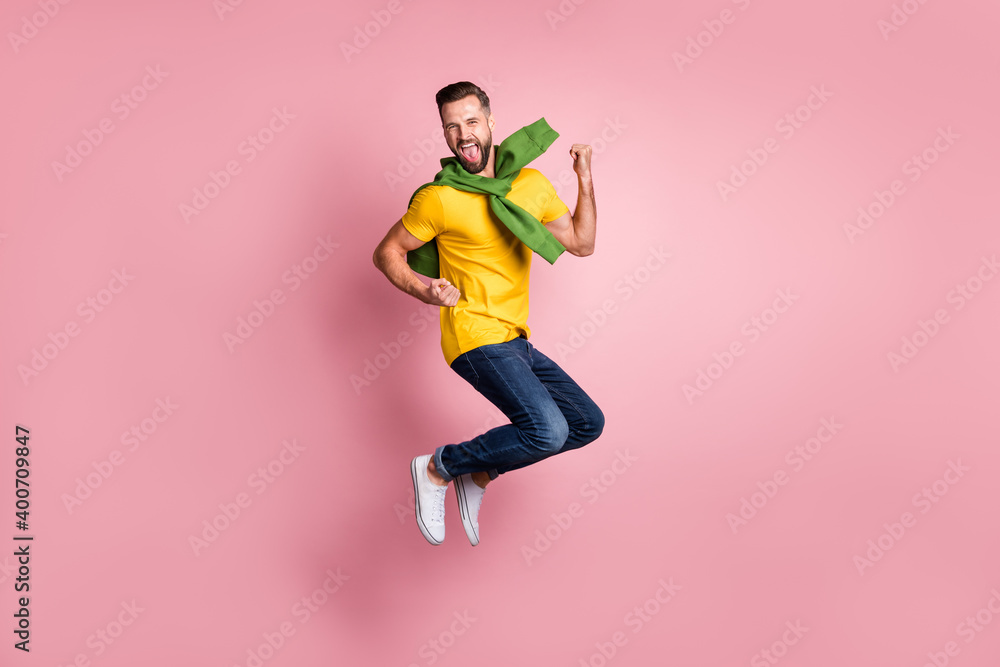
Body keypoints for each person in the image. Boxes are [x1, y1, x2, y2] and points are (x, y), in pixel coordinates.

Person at [372, 81, 605, 546]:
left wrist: (583, 176)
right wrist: (424, 291)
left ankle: (478, 474)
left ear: (492, 123)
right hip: (473, 335)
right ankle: (441, 467)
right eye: (451, 127)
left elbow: (582, 243)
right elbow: (387, 253)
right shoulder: (438, 198)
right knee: (547, 429)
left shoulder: (531, 185)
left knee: (585, 422)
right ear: (444, 134)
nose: (463, 135)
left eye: (472, 122)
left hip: (515, 339)